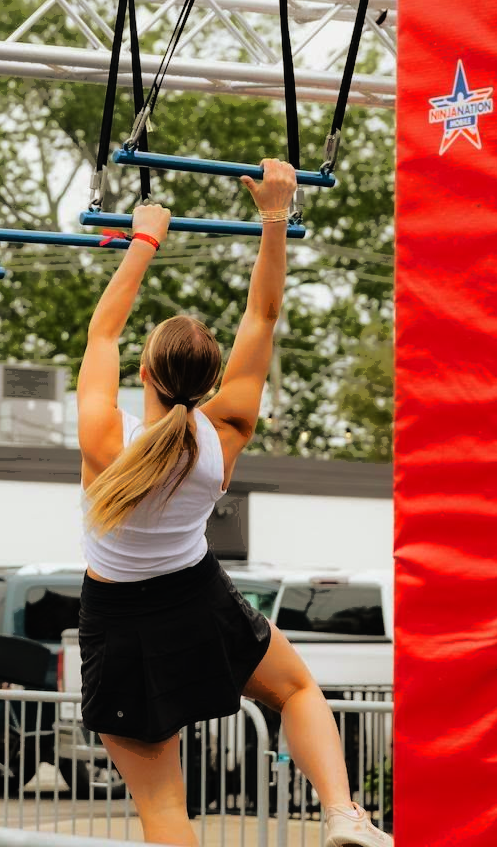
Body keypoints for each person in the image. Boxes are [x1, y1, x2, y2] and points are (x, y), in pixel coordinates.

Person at [75, 167, 392, 847]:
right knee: (298, 691)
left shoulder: (104, 438)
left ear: (144, 374)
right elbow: (264, 315)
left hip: (118, 616)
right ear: (212, 381)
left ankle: (342, 818)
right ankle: (342, 813)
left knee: (165, 810)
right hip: (196, 601)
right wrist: (273, 215)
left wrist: (144, 241)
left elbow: (102, 335)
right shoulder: (224, 434)